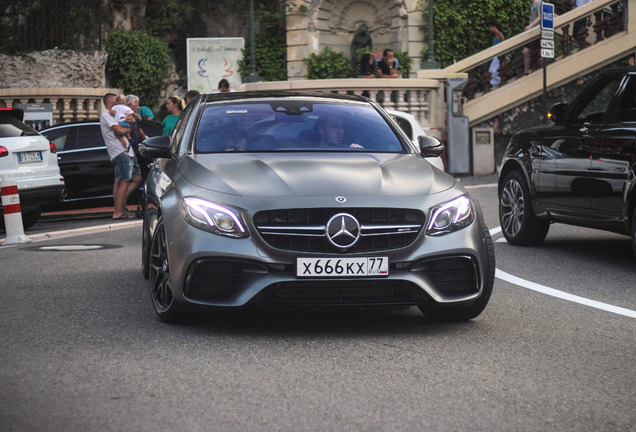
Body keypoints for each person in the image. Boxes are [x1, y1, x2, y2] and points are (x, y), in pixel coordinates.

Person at [100, 93, 142, 220]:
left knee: (136, 178)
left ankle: (121, 205)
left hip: (127, 150)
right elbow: (119, 131)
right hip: (120, 152)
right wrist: (127, 129)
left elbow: (130, 128)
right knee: (123, 181)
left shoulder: (116, 114)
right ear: (111, 100)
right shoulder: (106, 116)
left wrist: (133, 123)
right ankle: (118, 211)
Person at [125, 94, 151, 182]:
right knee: (135, 180)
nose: (139, 108)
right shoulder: (125, 118)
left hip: (136, 152)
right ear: (129, 105)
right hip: (130, 153)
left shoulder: (132, 118)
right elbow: (129, 133)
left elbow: (141, 134)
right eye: (136, 105)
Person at [524, 0, 542, 74]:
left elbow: (540, 16)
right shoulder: (532, 5)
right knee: (526, 51)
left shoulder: (539, 3)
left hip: (536, 31)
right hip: (531, 32)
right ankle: (526, 72)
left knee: (538, 51)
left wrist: (530, 26)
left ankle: (544, 69)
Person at [488, 20, 505, 88]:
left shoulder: (499, 34)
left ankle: (498, 82)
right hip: (495, 55)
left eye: (490, 27)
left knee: (492, 70)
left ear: (494, 27)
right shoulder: (495, 35)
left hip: (499, 55)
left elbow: (504, 43)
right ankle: (496, 83)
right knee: (492, 70)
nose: (490, 29)